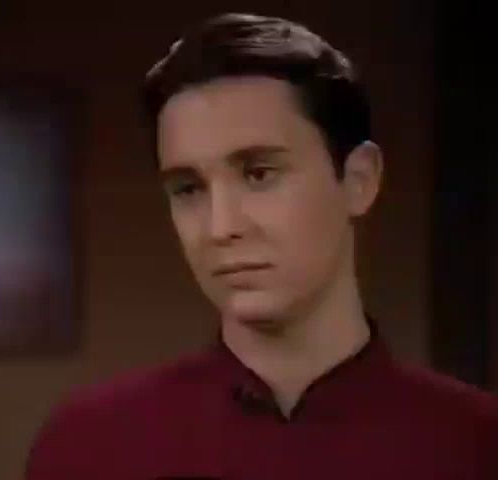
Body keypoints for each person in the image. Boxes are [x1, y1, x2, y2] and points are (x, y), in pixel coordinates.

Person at [26, 13, 498, 479]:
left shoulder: (476, 443)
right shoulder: (91, 445)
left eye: (259, 174)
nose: (220, 227)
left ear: (359, 180)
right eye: (189, 188)